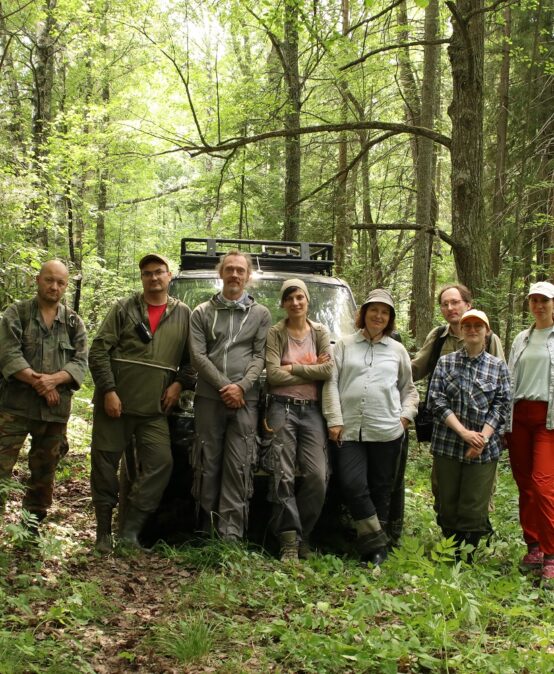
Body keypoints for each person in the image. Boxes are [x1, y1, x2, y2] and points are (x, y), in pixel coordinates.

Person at [89, 253, 193, 552]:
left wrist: (178, 384)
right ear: (142, 278)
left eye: (159, 272)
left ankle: (130, 532)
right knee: (104, 467)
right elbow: (98, 351)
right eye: (147, 273)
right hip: (115, 407)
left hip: (153, 411)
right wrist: (108, 390)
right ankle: (103, 535)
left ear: (169, 275)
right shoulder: (123, 308)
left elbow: (191, 362)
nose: (153, 278)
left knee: (161, 464)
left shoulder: (183, 314)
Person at [323, 289, 418, 565]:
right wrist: (335, 419)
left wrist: (404, 418)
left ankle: (374, 550)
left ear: (390, 319)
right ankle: (378, 541)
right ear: (363, 313)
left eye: (385, 312)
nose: (378, 315)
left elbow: (409, 390)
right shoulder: (343, 345)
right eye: (373, 310)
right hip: (349, 430)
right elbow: (330, 383)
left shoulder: (397, 350)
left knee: (381, 488)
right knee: (352, 484)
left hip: (386, 431)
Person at [0, 260, 87, 534]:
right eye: (49, 280)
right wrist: (40, 382)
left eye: (61, 282)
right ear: (37, 280)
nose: (54, 286)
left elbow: (81, 361)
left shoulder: (73, 322)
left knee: (44, 473)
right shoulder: (17, 313)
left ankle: (32, 528)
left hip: (54, 412)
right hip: (14, 408)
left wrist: (54, 380)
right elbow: (8, 353)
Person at [189, 250, 271, 541]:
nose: (235, 275)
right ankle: (205, 531)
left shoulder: (261, 314)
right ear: (220, 273)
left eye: (240, 270)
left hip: (246, 402)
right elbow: (198, 356)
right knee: (207, 463)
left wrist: (241, 388)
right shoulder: (202, 312)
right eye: (230, 269)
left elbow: (260, 356)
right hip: (209, 400)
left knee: (239, 465)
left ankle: (230, 535)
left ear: (248, 276)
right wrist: (226, 387)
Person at [411, 283, 505, 514]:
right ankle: (450, 538)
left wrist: (486, 436)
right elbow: (415, 369)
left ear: (467, 304)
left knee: (479, 494)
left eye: (455, 302)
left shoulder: (490, 340)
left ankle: (474, 537)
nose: (450, 307)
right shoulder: (438, 337)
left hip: (482, 434)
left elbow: (501, 392)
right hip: (447, 430)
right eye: (445, 304)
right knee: (443, 491)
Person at [427, 309, 511, 562]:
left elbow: (502, 404)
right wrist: (464, 433)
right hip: (448, 442)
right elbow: (436, 400)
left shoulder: (497, 367)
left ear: (487, 331)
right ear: (461, 331)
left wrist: (482, 438)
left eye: (478, 326)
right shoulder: (446, 362)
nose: (472, 330)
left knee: (474, 500)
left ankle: (469, 554)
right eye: (468, 326)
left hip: (484, 447)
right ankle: (450, 550)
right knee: (447, 498)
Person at [264, 279, 333, 560]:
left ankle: (303, 532)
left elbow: (328, 369)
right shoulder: (275, 333)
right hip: (282, 408)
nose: (295, 303)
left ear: (307, 301)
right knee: (282, 474)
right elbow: (272, 375)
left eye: (300, 297)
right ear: (283, 303)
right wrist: (309, 368)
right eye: (289, 298)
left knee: (318, 475)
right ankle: (289, 540)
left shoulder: (320, 331)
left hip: (313, 411)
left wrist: (291, 367)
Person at [505, 281, 554, 586]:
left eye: (544, 301)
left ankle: (551, 554)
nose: (539, 305)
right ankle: (533, 546)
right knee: (525, 485)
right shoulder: (522, 339)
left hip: (548, 420)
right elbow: (510, 378)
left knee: (542, 484)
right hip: (519, 417)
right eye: (534, 300)